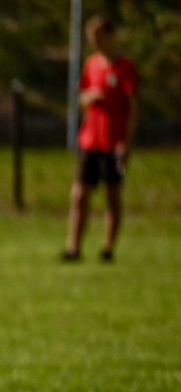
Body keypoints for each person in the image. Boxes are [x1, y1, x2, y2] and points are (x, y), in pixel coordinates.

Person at [64, 16, 139, 263]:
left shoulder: (125, 68)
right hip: (90, 142)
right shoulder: (91, 64)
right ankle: (73, 247)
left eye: (98, 37)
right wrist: (90, 97)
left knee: (113, 194)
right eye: (90, 38)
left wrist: (127, 143)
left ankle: (108, 248)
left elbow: (133, 108)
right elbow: (81, 98)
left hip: (115, 145)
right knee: (79, 194)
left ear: (111, 36)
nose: (94, 42)